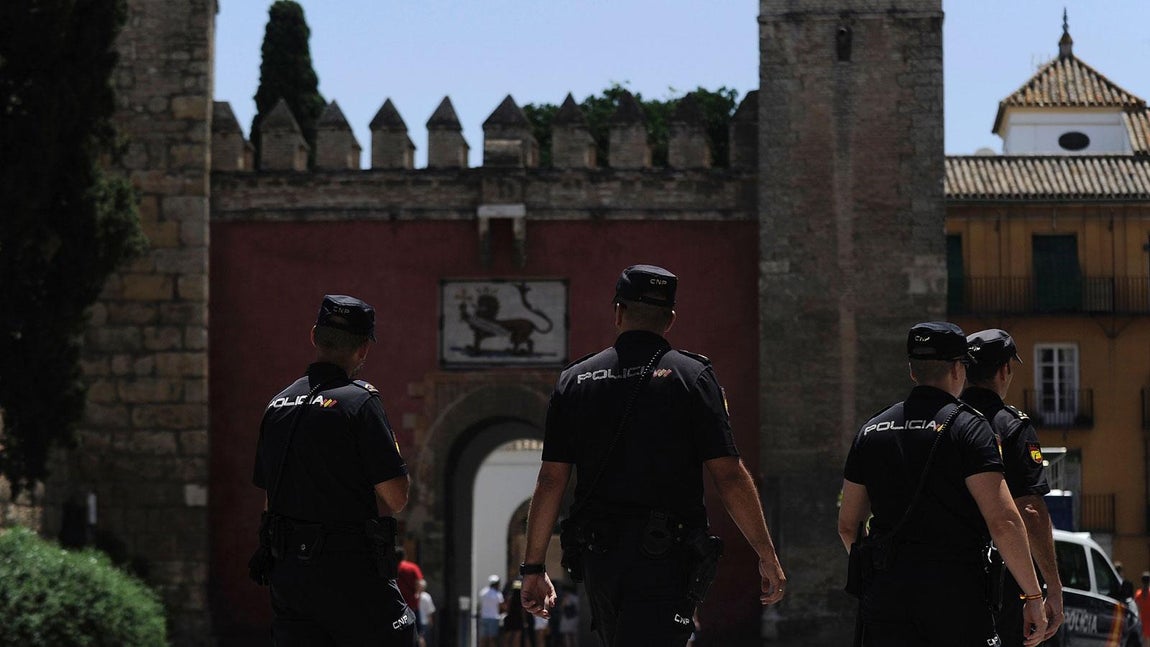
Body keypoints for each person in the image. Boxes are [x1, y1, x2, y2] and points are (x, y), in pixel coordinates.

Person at [519, 264, 786, 646]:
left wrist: (533, 567)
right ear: (670, 319)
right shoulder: (692, 377)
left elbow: (550, 480)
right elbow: (728, 476)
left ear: (618, 312)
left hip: (600, 559)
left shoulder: (575, 381)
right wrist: (766, 553)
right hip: (666, 557)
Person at [838, 321, 1047, 647]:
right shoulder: (969, 428)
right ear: (957, 369)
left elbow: (848, 526)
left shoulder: (872, 430)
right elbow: (1004, 521)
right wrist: (1033, 595)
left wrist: (882, 569)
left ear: (912, 371)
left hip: (886, 600)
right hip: (955, 598)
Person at [250, 294, 416, 646]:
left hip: (289, 576)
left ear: (314, 336)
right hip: (350, 571)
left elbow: (270, 500)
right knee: (401, 634)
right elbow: (397, 497)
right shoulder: (361, 401)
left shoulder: (276, 405)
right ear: (364, 349)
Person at [962, 329, 1064, 645]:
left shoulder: (945, 423)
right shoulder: (1011, 425)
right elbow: (1029, 510)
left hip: (940, 574)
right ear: (1005, 369)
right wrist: (1052, 588)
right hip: (1000, 579)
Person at [395, 547, 425, 635]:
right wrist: (417, 594)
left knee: (399, 631)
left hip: (397, 605)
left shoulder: (393, 568)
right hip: (411, 605)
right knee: (417, 632)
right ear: (405, 556)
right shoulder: (412, 567)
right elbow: (420, 583)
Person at [479, 575, 505, 647]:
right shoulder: (498, 594)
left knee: (483, 638)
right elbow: (501, 605)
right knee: (492, 638)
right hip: (493, 618)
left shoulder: (483, 592)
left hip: (484, 617)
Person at [503, 578, 527, 647]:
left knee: (507, 638)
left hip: (510, 617)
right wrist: (524, 621)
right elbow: (523, 610)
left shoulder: (510, 597)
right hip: (518, 618)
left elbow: (507, 608)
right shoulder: (522, 598)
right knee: (517, 638)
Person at [417, 579, 435, 647]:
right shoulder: (427, 597)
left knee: (420, 639)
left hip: (418, 621)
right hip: (424, 622)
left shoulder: (415, 596)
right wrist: (431, 623)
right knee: (423, 639)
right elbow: (430, 611)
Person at [1136, 572, 1150, 642]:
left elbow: (1137, 609)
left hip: (1142, 621)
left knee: (1143, 641)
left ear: (1142, 581)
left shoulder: (1138, 594)